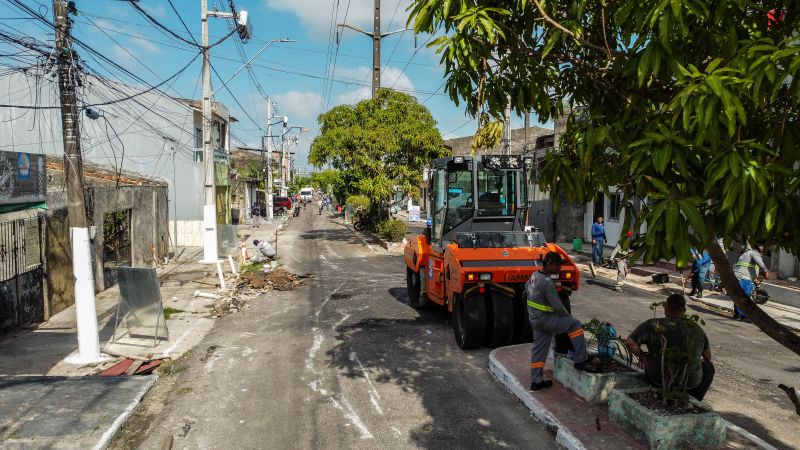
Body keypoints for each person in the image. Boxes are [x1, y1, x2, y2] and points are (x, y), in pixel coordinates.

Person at [527, 251, 599, 391]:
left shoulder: (534, 276)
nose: (559, 269)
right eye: (557, 266)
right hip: (545, 320)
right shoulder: (547, 282)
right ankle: (581, 359)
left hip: (534, 320)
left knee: (539, 350)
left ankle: (536, 381)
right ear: (550, 264)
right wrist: (568, 318)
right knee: (575, 324)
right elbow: (558, 306)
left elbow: (526, 290)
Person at [626, 294, 715, 401]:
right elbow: (707, 356)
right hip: (689, 383)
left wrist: (642, 355)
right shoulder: (696, 328)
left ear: (666, 309)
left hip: (657, 378)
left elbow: (630, 342)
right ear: (684, 310)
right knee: (708, 367)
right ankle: (695, 399)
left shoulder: (652, 324)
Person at [732, 243, 770, 320]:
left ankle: (737, 314)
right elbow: (760, 263)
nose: (762, 255)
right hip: (744, 278)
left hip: (738, 276)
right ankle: (743, 315)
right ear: (760, 251)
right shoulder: (755, 253)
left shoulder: (746, 254)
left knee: (738, 296)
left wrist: (755, 280)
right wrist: (766, 271)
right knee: (744, 297)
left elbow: (749, 268)